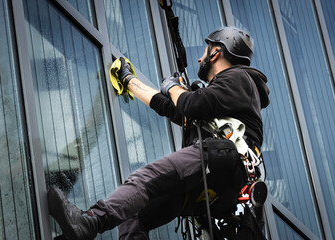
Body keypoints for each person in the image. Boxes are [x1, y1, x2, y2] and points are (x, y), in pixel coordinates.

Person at [47, 26, 270, 240]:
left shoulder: (239, 77)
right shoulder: (229, 99)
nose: (199, 59)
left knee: (145, 179)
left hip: (221, 158)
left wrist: (172, 86)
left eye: (205, 51)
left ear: (216, 52)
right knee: (134, 214)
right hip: (220, 186)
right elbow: (173, 109)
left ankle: (89, 223)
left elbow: (190, 104)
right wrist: (129, 81)